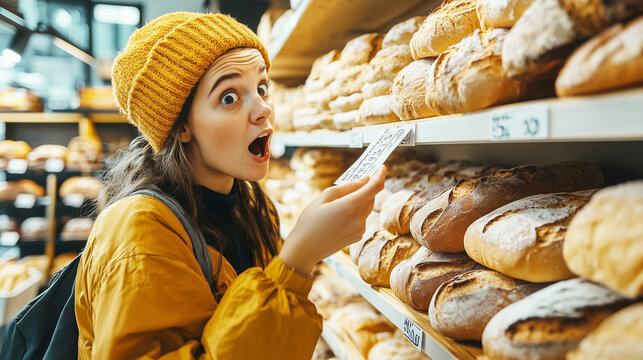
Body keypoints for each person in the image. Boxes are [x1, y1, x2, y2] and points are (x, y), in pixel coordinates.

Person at [75, 12, 386, 360]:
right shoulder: (138, 232)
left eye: (262, 87)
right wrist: (298, 259)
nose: (263, 109)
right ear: (181, 127)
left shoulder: (250, 206)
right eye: (229, 97)